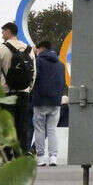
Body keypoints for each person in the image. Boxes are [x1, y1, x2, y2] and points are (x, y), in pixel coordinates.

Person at [0, 22, 37, 155]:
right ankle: (21, 154)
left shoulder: (1, 48)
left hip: (6, 92)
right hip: (23, 93)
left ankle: (7, 155)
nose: (2, 34)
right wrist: (28, 88)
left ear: (8, 32)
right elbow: (33, 71)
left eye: (3, 31)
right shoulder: (28, 49)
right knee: (22, 125)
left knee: (7, 125)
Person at [31, 39, 68, 167]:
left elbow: (34, 80)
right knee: (52, 129)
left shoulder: (38, 62)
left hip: (40, 100)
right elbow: (62, 82)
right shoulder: (60, 64)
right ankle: (53, 157)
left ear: (41, 48)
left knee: (40, 129)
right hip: (55, 101)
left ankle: (41, 158)